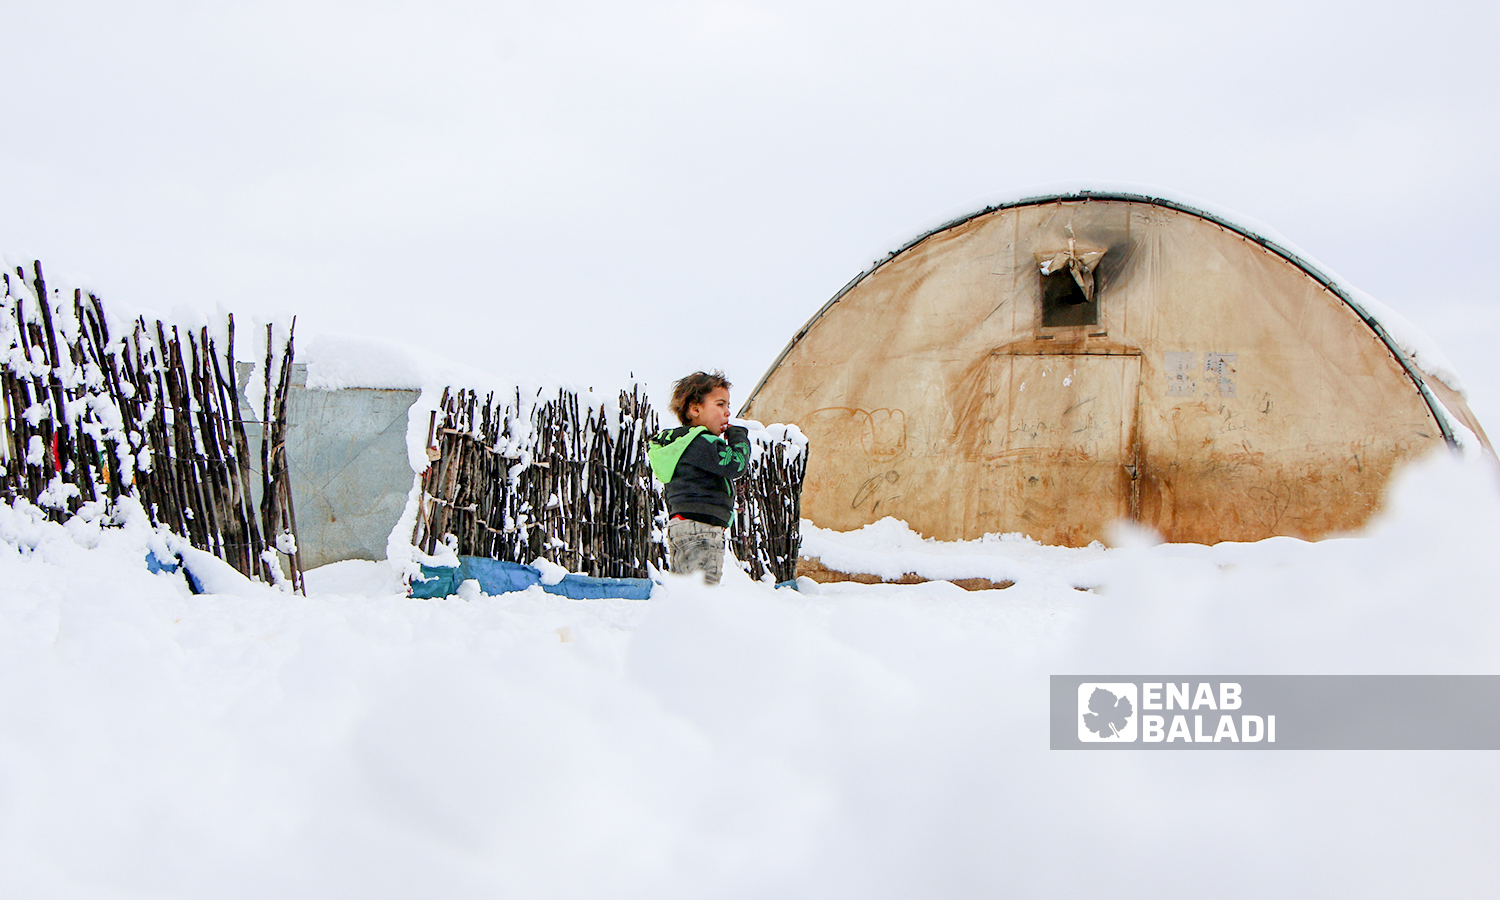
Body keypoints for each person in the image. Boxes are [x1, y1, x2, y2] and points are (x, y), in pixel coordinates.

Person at [647, 371, 751, 585]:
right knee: (703, 594)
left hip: (684, 527)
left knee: (688, 592)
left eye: (728, 406)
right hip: (701, 530)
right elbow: (735, 464)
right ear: (695, 409)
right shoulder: (699, 442)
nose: (727, 413)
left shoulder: (683, 444)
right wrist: (739, 437)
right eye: (720, 404)